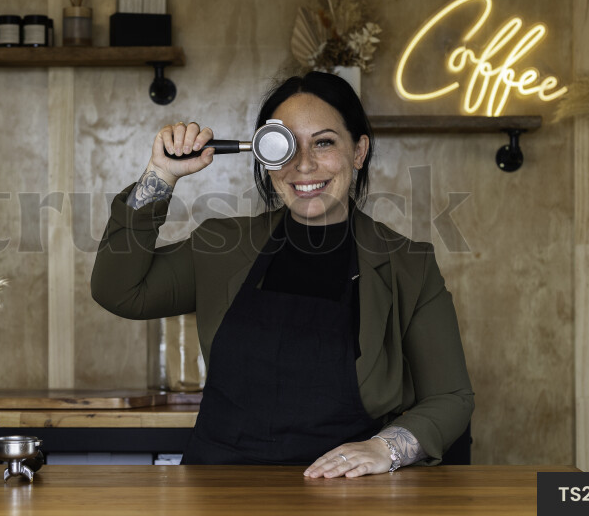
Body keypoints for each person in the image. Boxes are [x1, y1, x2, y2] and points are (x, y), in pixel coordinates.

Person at [91, 71, 473, 477]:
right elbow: (120, 291)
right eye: (285, 145)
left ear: (358, 151)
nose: (303, 165)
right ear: (264, 154)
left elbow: (451, 396)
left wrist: (386, 448)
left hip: (347, 492)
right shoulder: (221, 246)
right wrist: (160, 174)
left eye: (324, 142)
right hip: (217, 488)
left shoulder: (408, 265)